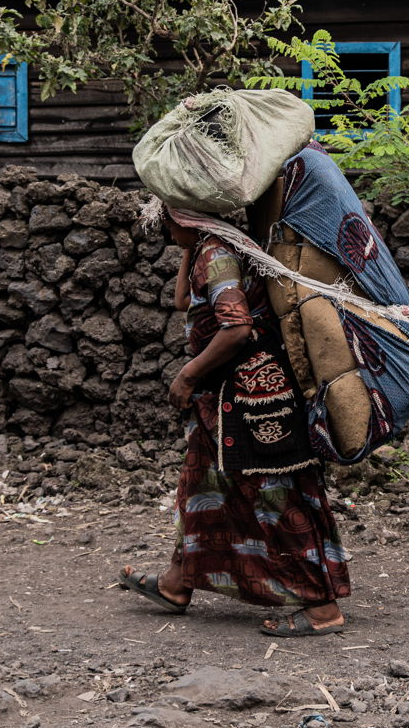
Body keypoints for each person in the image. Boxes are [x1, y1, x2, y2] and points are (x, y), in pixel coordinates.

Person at [118, 203, 351, 636]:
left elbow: (237, 326)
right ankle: (175, 583)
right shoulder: (212, 247)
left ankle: (322, 609)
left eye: (168, 222)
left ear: (185, 219)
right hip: (227, 401)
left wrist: (187, 375)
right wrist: (193, 239)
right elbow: (184, 300)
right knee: (201, 486)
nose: (166, 232)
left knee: (274, 497)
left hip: (252, 401)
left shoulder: (218, 253)